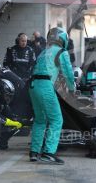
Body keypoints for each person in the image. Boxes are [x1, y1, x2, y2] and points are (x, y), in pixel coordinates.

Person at [29, 27, 75, 164]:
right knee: (56, 120)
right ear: (63, 39)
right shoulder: (62, 52)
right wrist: (72, 89)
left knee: (40, 120)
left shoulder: (44, 52)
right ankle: (49, 152)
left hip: (33, 85)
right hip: (45, 85)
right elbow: (68, 73)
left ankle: (34, 152)